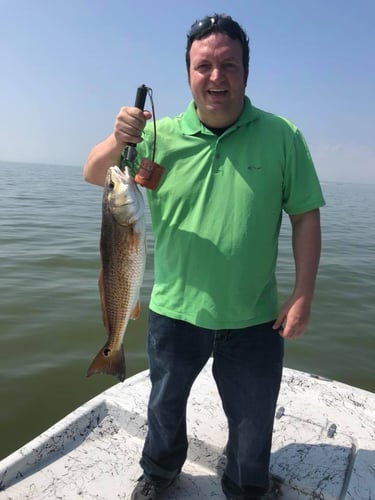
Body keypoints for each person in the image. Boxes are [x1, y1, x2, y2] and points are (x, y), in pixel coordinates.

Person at [83, 13, 325, 500]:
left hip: (255, 316)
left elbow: (305, 215)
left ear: (246, 71)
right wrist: (118, 138)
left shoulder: (283, 136)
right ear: (189, 73)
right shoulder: (158, 136)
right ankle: (159, 472)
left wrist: (302, 293)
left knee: (254, 417)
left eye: (229, 65)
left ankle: (245, 484)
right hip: (174, 311)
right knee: (164, 406)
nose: (216, 77)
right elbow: (94, 173)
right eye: (204, 66)